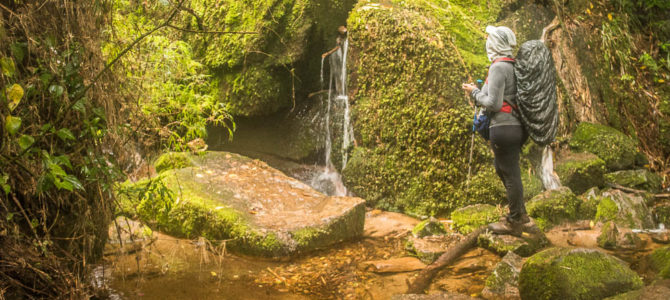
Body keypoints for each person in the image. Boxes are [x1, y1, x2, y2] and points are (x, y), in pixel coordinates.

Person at [461, 25, 530, 235]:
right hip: (515, 126)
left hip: (504, 126)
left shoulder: (498, 67)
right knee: (504, 169)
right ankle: (521, 214)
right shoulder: (513, 65)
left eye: (490, 39)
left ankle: (514, 221)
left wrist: (474, 93)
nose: (487, 42)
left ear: (495, 44)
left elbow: (494, 104)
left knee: (509, 173)